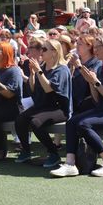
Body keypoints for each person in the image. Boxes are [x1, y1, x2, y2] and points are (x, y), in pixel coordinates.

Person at [51, 35, 103, 177]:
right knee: (71, 122)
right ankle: (70, 164)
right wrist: (91, 83)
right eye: (94, 47)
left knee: (83, 124)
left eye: (98, 47)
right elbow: (97, 99)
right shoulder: (102, 67)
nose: (95, 50)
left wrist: (95, 82)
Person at [15, 39, 71, 168]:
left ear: (54, 52)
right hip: (42, 106)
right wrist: (33, 74)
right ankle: (26, 151)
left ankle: (53, 153)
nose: (41, 52)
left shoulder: (61, 69)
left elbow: (49, 88)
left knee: (36, 122)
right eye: (41, 49)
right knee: (20, 119)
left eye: (44, 49)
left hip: (59, 108)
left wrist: (38, 71)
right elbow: (33, 89)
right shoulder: (43, 67)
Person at [69, 35, 102, 114]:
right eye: (77, 43)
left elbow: (91, 79)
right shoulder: (76, 60)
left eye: (80, 44)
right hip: (74, 100)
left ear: (89, 46)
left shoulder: (96, 62)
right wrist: (71, 68)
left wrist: (79, 67)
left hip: (88, 102)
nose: (77, 46)